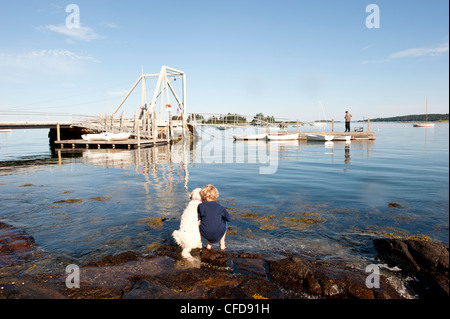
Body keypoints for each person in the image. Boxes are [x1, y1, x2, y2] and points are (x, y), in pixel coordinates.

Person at [197, 184, 231, 251]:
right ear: (216, 195)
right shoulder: (220, 207)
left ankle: (208, 246)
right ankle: (222, 244)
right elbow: (229, 218)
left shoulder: (200, 206)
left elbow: (199, 219)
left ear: (203, 196)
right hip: (219, 231)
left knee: (207, 222)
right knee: (225, 223)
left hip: (205, 232)